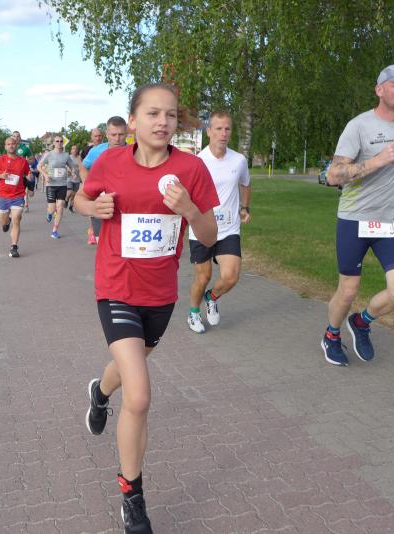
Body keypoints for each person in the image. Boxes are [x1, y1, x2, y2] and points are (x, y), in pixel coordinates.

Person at [74, 83, 219, 533]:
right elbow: (80, 199)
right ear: (133, 120)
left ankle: (99, 394)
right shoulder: (110, 162)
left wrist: (190, 209)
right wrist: (93, 206)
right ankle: (132, 498)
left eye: (170, 115)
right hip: (116, 286)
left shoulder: (191, 169)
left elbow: (210, 235)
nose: (163, 122)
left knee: (127, 368)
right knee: (138, 395)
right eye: (153, 113)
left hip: (160, 296)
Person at [321, 64, 394, 366]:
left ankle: (361, 322)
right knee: (348, 290)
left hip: (392, 221)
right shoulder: (358, 126)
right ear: (380, 90)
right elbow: (333, 175)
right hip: (355, 219)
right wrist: (377, 161)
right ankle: (331, 335)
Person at [186, 111, 252, 333]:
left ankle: (212, 298)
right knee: (203, 276)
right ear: (209, 132)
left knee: (230, 277)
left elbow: (246, 184)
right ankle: (193, 312)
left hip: (229, 229)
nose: (223, 133)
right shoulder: (197, 161)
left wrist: (245, 207)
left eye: (227, 129)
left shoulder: (239, 160)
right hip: (202, 229)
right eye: (218, 129)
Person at [80, 116, 129, 245]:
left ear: (126, 133)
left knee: (123, 244)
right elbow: (83, 167)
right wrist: (88, 186)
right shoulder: (96, 151)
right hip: (101, 202)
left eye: (121, 135)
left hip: (125, 206)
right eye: (113, 135)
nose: (117, 139)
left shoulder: (135, 152)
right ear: (107, 134)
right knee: (101, 243)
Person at [0, 136, 31, 258]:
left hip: (18, 195)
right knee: (4, 221)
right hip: (3, 196)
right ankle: (6, 223)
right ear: (5, 147)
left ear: (17, 145)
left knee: (17, 219)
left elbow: (27, 172)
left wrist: (30, 176)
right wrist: (1, 176)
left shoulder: (23, 161)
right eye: (9, 144)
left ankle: (14, 247)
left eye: (13, 144)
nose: (11, 146)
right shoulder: (0, 160)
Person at [39, 134, 79, 239]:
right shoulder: (49, 155)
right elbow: (39, 166)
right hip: (51, 184)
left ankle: (55, 230)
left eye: (61, 141)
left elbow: (72, 166)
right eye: (57, 141)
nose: (59, 143)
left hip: (62, 184)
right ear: (53, 143)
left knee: (60, 206)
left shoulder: (66, 155)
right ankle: (49, 213)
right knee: (52, 209)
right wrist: (45, 175)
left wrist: (73, 173)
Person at [66, 144, 82, 212]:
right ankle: (66, 200)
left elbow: (81, 167)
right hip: (69, 178)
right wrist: (71, 171)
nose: (74, 150)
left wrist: (77, 170)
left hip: (77, 178)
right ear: (71, 150)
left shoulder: (79, 158)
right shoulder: (68, 157)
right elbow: (66, 166)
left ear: (77, 150)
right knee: (70, 191)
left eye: (76, 149)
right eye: (73, 149)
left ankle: (71, 206)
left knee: (74, 194)